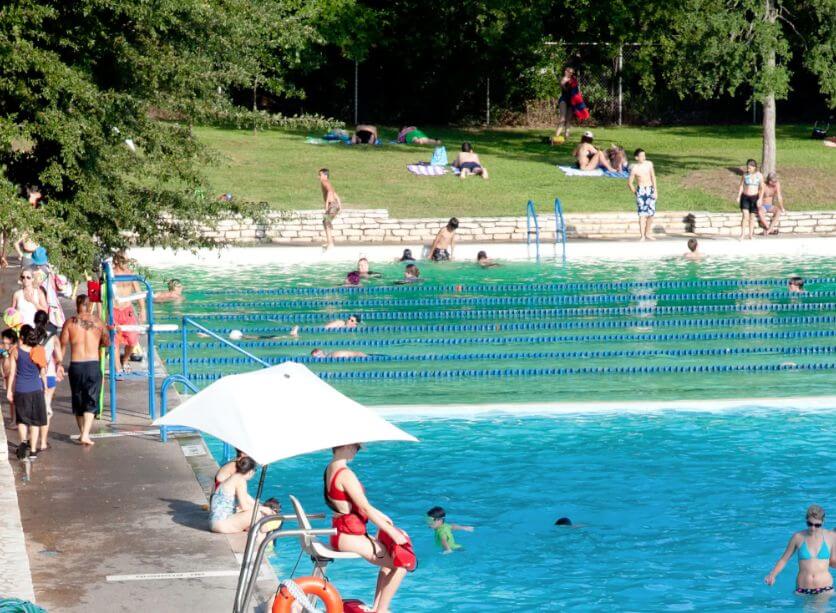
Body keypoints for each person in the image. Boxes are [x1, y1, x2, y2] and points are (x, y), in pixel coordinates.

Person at [324, 443, 409, 613]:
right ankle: (381, 611)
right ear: (346, 445)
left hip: (339, 533)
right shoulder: (345, 474)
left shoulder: (330, 468)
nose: (357, 451)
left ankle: (377, 607)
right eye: (356, 447)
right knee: (401, 565)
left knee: (387, 563)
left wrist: (383, 517)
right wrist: (390, 531)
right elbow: (364, 508)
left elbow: (355, 505)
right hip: (349, 537)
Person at [60, 295, 109, 446]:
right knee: (91, 399)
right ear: (89, 306)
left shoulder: (70, 323)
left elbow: (62, 344)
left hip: (76, 365)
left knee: (78, 400)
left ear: (77, 305)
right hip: (92, 364)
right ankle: (85, 434)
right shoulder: (98, 322)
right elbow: (107, 342)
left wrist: (59, 365)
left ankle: (83, 433)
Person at [765, 504, 836, 596]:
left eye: (817, 525)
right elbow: (784, 559)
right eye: (809, 524)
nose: (813, 528)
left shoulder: (831, 536)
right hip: (802, 589)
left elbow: (833, 562)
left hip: (825, 589)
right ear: (806, 520)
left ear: (823, 521)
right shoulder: (798, 537)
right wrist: (772, 575)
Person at [7, 325, 47, 459]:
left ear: (22, 337)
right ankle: (34, 451)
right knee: (35, 422)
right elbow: (42, 371)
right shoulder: (38, 350)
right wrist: (45, 387)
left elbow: (12, 374)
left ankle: (23, 441)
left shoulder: (16, 351)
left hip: (21, 389)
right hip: (36, 389)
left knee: (22, 420)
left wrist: (9, 391)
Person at [209, 456, 272, 535]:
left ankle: (259, 530)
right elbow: (244, 506)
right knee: (258, 514)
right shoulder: (241, 481)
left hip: (214, 522)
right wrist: (263, 509)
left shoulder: (233, 478)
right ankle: (265, 532)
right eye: (255, 470)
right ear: (250, 471)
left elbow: (246, 500)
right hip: (221, 524)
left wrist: (261, 506)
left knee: (254, 512)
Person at [34, 310, 63, 451]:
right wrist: (59, 365)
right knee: (46, 407)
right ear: (46, 323)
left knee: (34, 408)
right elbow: (59, 356)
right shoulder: (52, 337)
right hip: (49, 374)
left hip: (33, 376)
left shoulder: (29, 336)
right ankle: (43, 442)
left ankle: (31, 440)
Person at [112, 253, 145, 373]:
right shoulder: (110, 274)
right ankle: (118, 369)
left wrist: (143, 309)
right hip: (114, 310)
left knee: (132, 339)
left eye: (126, 260)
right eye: (123, 260)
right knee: (114, 340)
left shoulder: (130, 274)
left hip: (127, 310)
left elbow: (138, 292)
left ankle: (124, 360)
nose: (125, 263)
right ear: (116, 260)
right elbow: (103, 295)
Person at [627, 149, 658, 241]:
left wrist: (655, 190)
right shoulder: (635, 168)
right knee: (642, 214)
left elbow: (653, 177)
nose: (643, 157)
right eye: (641, 156)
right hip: (641, 191)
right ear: (636, 157)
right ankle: (642, 236)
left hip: (650, 189)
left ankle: (648, 233)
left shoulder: (649, 164)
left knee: (651, 214)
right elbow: (630, 183)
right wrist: (636, 193)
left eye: (644, 155)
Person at [554, 67, 589, 144]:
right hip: (564, 100)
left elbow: (576, 91)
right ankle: (556, 137)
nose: (571, 74)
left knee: (568, 119)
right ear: (566, 71)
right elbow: (563, 86)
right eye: (570, 72)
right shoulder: (564, 79)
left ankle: (566, 136)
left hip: (572, 101)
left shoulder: (574, 80)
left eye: (572, 73)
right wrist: (565, 84)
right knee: (562, 118)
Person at [735, 159, 764, 240]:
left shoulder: (759, 175)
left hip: (754, 198)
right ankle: (742, 234)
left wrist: (760, 198)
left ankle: (750, 235)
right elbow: (741, 186)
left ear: (754, 167)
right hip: (745, 197)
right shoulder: (745, 175)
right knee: (745, 216)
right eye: (747, 167)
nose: (748, 169)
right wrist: (738, 196)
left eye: (750, 168)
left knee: (752, 217)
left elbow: (762, 188)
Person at [319, 168, 342, 250]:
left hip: (331, 205)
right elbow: (334, 193)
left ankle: (330, 244)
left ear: (325, 175)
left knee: (326, 222)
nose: (319, 177)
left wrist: (326, 206)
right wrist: (339, 204)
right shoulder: (328, 183)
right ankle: (330, 242)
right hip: (334, 205)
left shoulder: (324, 182)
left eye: (320, 175)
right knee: (326, 221)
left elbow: (329, 192)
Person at [1, 328, 18, 425]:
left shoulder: (14, 349)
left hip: (14, 376)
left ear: (11, 339)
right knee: (11, 400)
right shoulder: (4, 349)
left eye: (5, 338)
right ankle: (13, 419)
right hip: (7, 376)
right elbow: (2, 362)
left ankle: (15, 420)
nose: (3, 340)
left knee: (13, 399)